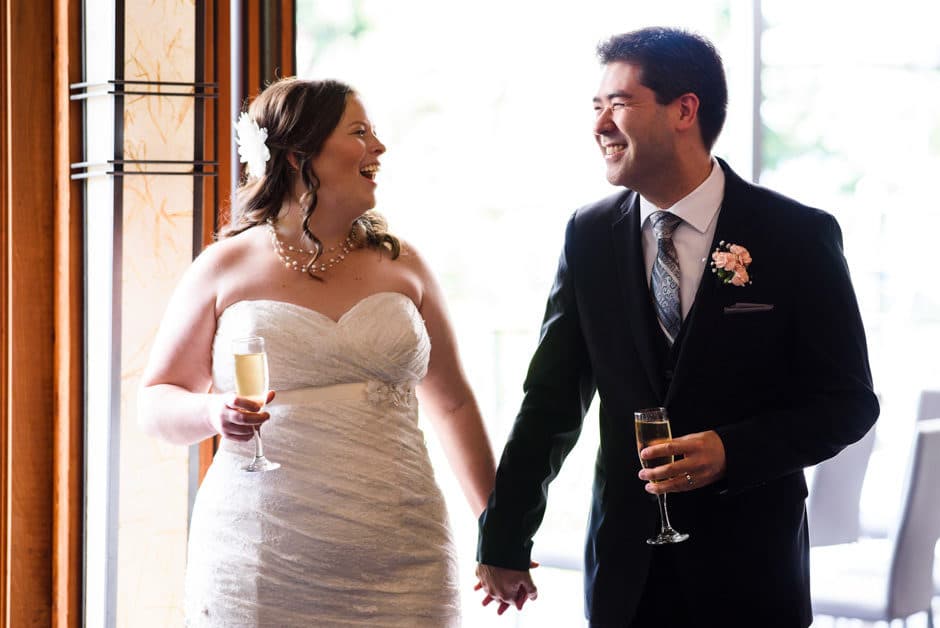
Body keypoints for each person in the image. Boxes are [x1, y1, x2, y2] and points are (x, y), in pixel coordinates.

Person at [475, 26, 879, 627]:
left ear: (684, 109)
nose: (599, 124)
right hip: (626, 573)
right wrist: (505, 538)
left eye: (618, 103)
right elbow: (552, 401)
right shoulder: (588, 236)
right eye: (595, 107)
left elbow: (848, 404)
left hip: (750, 571)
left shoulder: (796, 236)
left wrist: (730, 451)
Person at [138, 77, 496, 626]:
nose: (379, 147)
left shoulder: (406, 265)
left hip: (405, 562)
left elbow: (454, 406)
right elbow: (156, 402)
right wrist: (213, 412)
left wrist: (499, 535)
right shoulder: (223, 266)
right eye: (360, 132)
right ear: (298, 153)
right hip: (260, 562)